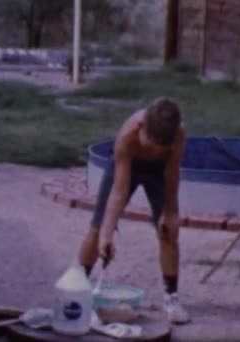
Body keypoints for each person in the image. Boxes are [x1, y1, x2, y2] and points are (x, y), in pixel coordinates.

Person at [77, 97, 190, 324]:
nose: (153, 150)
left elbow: (172, 175)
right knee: (98, 228)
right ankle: (76, 287)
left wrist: (169, 213)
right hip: (128, 166)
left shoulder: (177, 135)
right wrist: (107, 235)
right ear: (141, 128)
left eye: (159, 148)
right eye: (149, 144)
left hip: (159, 173)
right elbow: (118, 192)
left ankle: (172, 298)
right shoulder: (128, 135)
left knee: (168, 231)